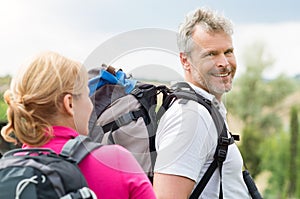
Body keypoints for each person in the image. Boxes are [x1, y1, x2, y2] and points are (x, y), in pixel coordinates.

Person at [1, 51, 157, 199]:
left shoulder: (7, 173)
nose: (91, 105)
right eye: (86, 94)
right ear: (69, 104)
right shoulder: (116, 162)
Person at [153, 8, 251, 199]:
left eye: (228, 51)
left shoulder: (206, 110)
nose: (224, 62)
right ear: (185, 60)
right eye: (211, 54)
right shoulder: (191, 118)